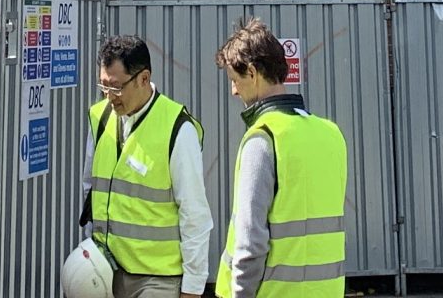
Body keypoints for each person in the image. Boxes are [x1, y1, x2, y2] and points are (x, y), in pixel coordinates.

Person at [213, 18, 348, 298]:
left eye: (234, 80)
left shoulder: (263, 139)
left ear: (251, 73)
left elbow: (250, 244)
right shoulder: (331, 134)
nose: (234, 91)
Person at [85, 32, 213, 298]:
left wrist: (192, 287)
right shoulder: (100, 118)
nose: (109, 96)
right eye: (103, 86)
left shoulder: (178, 128)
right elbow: (91, 189)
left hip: (159, 280)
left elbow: (195, 215)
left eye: (117, 87)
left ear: (144, 78)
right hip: (104, 272)